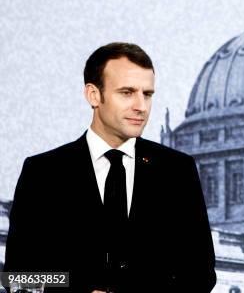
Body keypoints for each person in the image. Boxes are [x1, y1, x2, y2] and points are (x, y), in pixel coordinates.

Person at [3, 43, 217, 292]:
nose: (141, 106)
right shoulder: (43, 173)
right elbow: (17, 277)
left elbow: (201, 275)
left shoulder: (177, 170)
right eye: (127, 92)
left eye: (147, 94)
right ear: (94, 95)